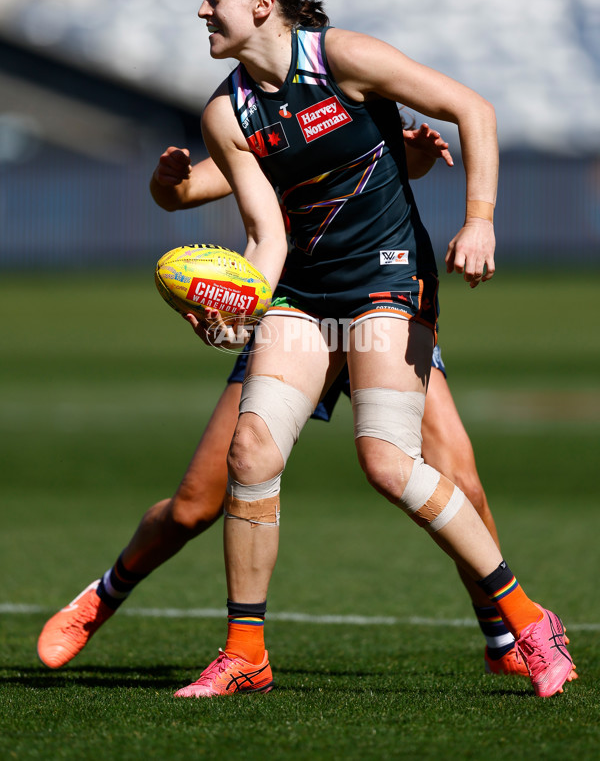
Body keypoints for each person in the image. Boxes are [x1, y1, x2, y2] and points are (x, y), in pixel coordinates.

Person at [38, 0, 575, 699]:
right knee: (220, 479)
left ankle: (514, 628)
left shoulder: (343, 58)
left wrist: (479, 221)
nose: (199, 10)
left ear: (262, 5)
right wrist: (236, 303)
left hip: (387, 282)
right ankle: (174, 623)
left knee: (433, 470)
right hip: (302, 295)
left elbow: (471, 110)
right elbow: (266, 235)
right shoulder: (229, 111)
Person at [37, 126, 531, 679]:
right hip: (294, 318)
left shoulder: (348, 94)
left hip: (380, 306)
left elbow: (402, 168)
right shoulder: (258, 121)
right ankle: (104, 596)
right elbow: (190, 189)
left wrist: (413, 148)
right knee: (195, 505)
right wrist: (167, 182)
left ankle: (503, 637)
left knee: (458, 482)